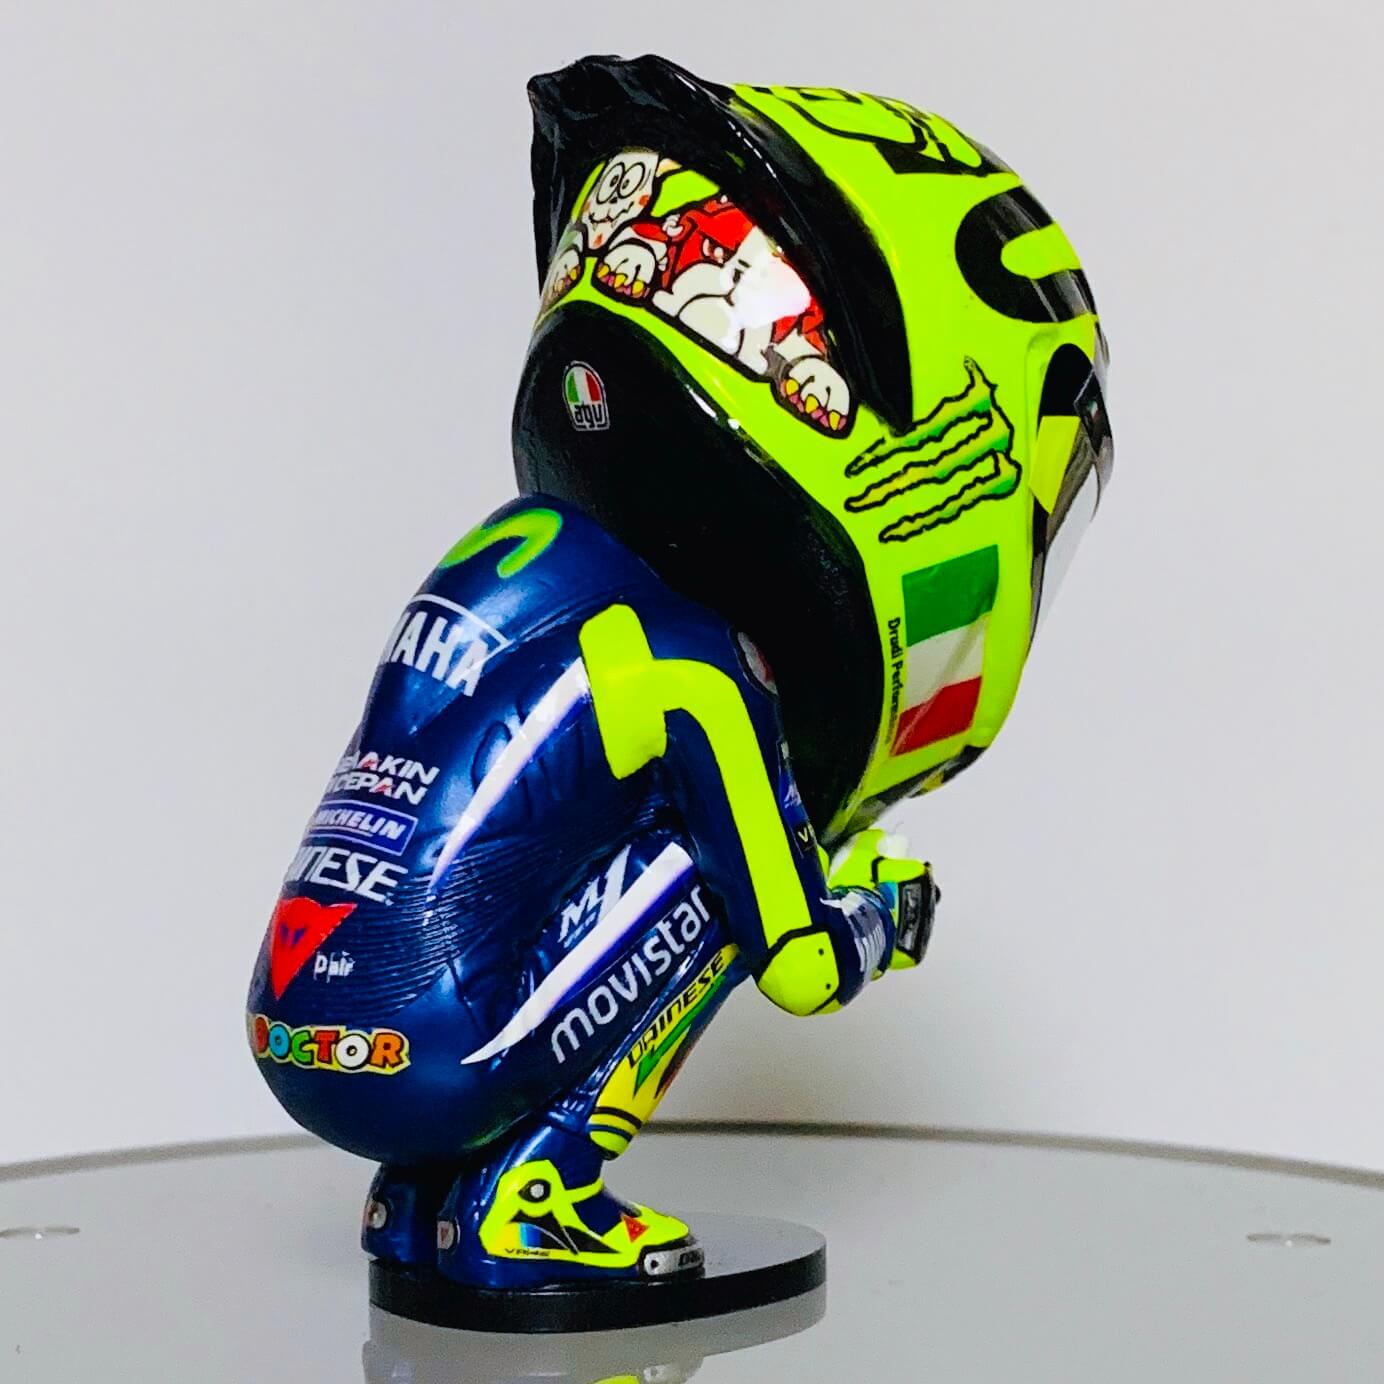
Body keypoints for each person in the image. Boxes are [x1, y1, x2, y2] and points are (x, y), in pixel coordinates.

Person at [247, 55, 1113, 1291]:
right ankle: (531, 1195)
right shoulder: (699, 669)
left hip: (298, 1032)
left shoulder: (527, 559)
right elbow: (799, 963)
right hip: (436, 1053)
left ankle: (424, 1199)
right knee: (725, 866)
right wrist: (884, 917)